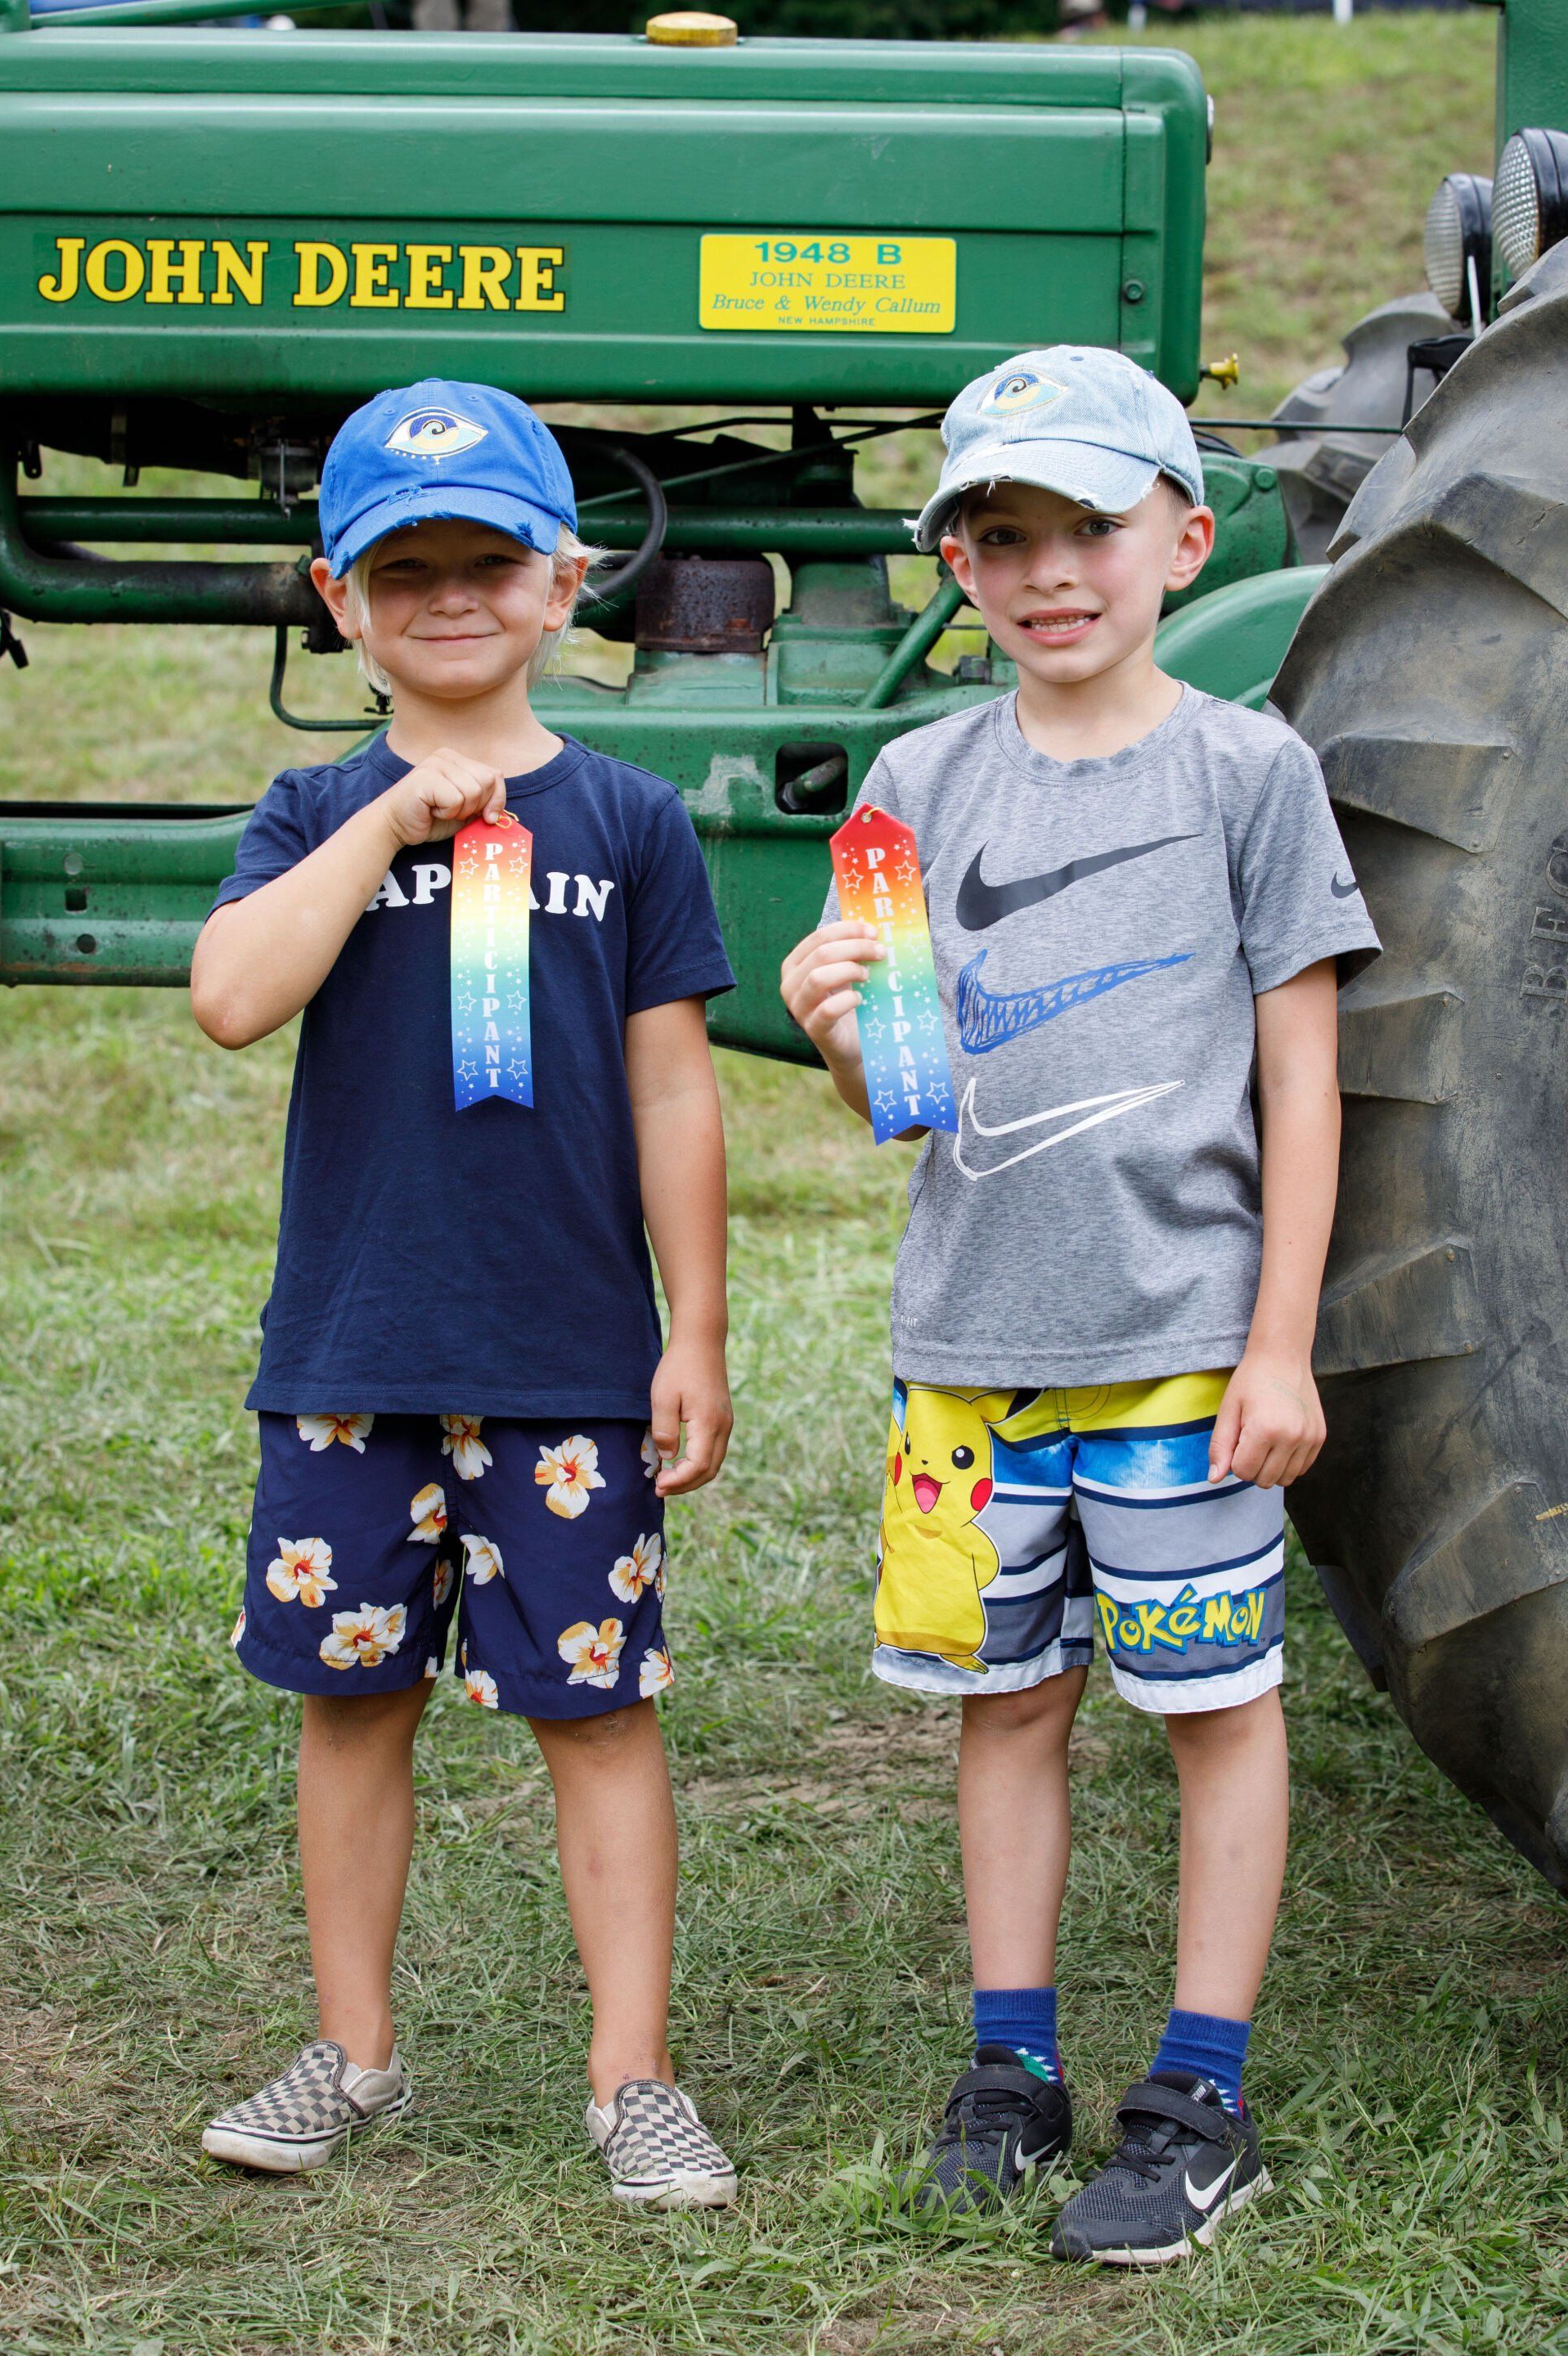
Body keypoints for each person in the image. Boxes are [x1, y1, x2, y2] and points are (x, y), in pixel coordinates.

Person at [780, 345, 1379, 2264]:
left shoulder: (1248, 773)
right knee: (1007, 1706)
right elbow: (902, 1102)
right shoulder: (913, 784)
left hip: (1186, 1350)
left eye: (1091, 529)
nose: (1051, 571)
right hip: (969, 1364)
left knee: (1214, 1707)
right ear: (958, 564)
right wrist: (835, 1035)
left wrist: (1280, 1339)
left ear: (1185, 540)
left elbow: (1306, 1076)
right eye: (1004, 535)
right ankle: (1012, 2068)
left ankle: (1197, 2089)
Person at [190, 379, 739, 2208]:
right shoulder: (307, 807)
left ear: (564, 578)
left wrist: (698, 1325)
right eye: (400, 568)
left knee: (598, 1712)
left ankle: (633, 2078)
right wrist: (390, 831)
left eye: (488, 561)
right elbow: (231, 993)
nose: (448, 596)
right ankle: (351, 2056)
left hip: (571, 1359)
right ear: (338, 602)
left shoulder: (635, 820)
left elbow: (676, 1085)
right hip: (353, 1358)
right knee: (351, 1705)